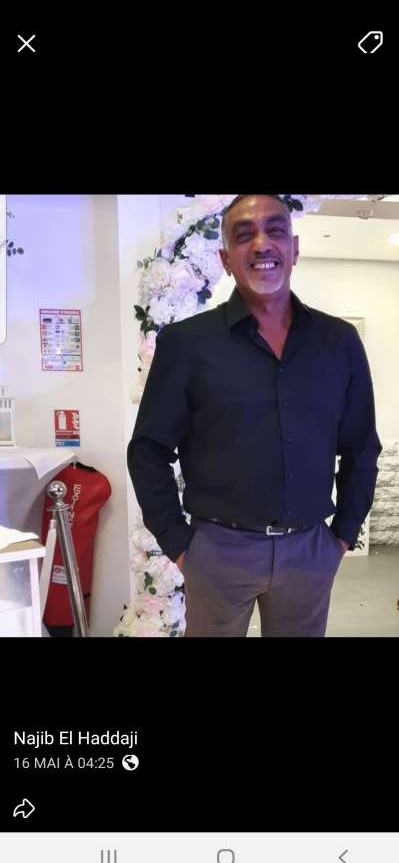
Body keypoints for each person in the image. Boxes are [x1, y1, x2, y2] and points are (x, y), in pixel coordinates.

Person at [127, 194, 382, 637]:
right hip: (217, 552)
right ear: (225, 259)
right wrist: (179, 544)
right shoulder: (187, 344)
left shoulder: (339, 342)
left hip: (309, 551)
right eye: (244, 235)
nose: (262, 244)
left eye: (275, 231)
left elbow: (361, 445)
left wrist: (342, 535)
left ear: (294, 249)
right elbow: (148, 450)